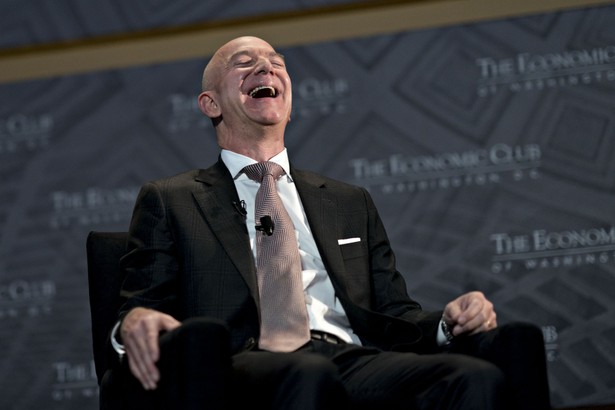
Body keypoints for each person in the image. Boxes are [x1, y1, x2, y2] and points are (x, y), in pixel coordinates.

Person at [107, 36, 551, 410]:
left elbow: (393, 313)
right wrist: (136, 320)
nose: (266, 66)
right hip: (241, 361)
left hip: (350, 356)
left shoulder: (347, 201)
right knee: (308, 375)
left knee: (470, 378)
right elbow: (139, 306)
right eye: (244, 64)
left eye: (276, 64)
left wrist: (448, 324)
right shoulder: (172, 199)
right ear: (210, 103)